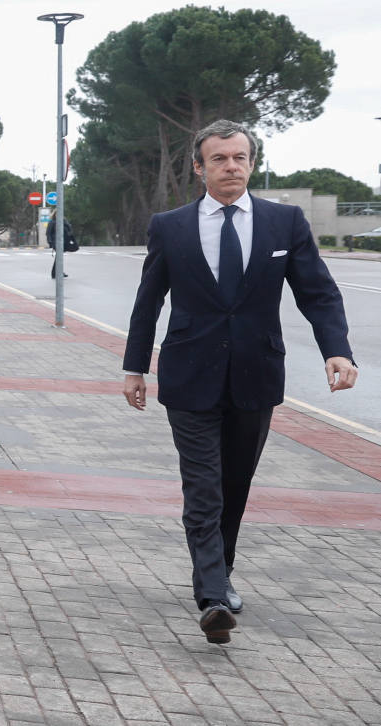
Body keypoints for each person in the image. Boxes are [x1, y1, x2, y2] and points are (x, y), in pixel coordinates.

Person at [122, 120, 356, 644]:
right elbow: (148, 301)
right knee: (203, 487)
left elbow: (317, 292)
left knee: (234, 485)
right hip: (188, 376)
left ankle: (215, 573)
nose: (232, 166)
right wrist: (134, 366)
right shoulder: (171, 226)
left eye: (240, 157)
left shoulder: (284, 222)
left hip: (257, 373)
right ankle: (212, 596)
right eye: (220, 158)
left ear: (252, 162)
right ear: (199, 167)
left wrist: (336, 349)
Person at [46, 212, 75, 279]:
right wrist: (50, 242)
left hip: (64, 241)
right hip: (56, 242)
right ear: (55, 214)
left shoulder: (64, 222)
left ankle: (55, 273)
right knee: (59, 257)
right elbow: (48, 233)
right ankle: (57, 273)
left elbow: (69, 230)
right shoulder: (52, 222)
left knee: (58, 258)